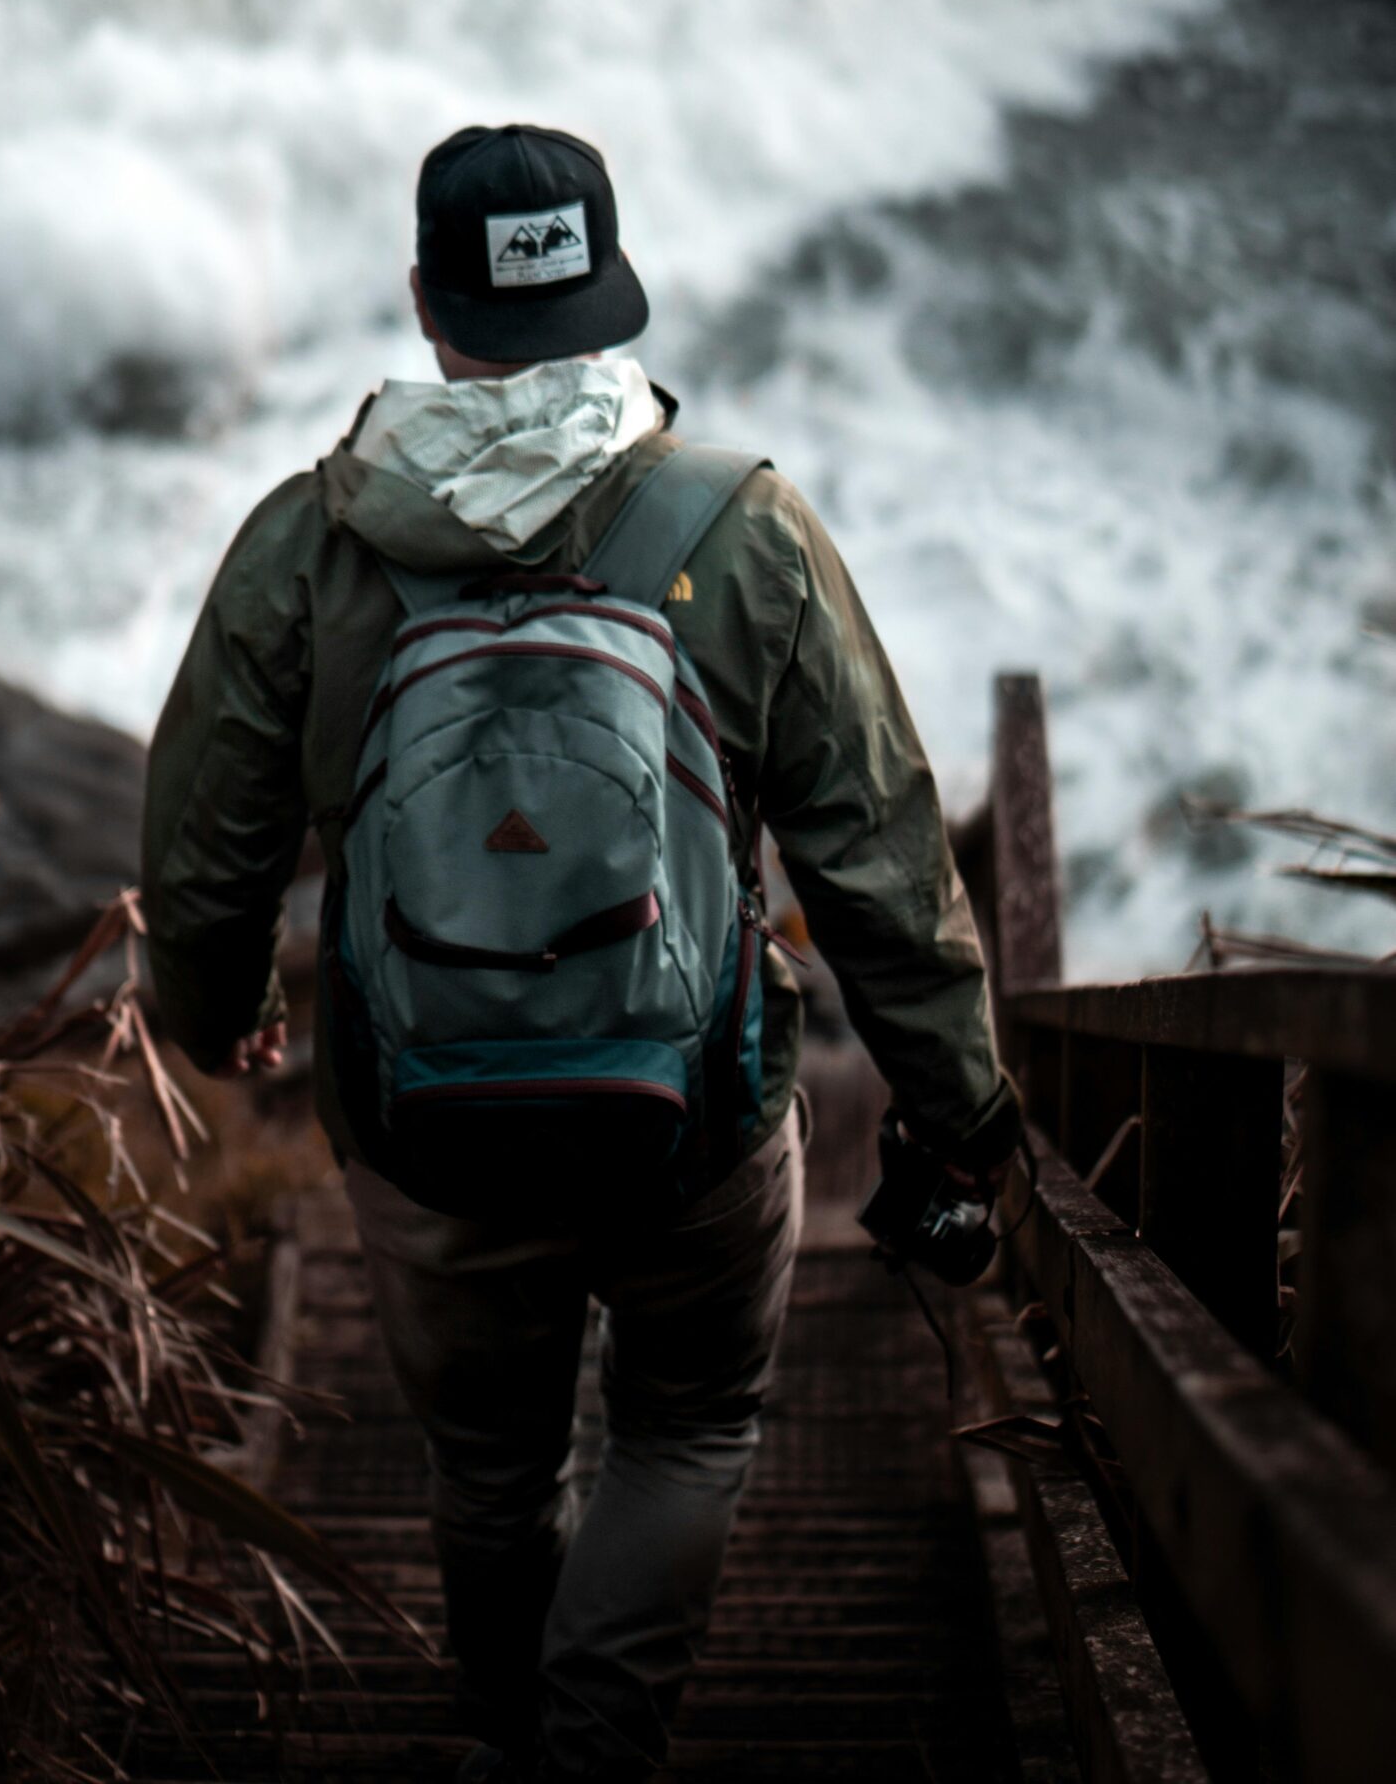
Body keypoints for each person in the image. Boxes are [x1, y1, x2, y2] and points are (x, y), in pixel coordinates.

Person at [142, 122, 1019, 1782]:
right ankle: (594, 1746)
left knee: (488, 1461)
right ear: (607, 290)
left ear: (423, 299)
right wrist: (961, 1106)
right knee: (686, 1425)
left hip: (421, 1124)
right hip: (693, 1110)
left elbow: (202, 848)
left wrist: (219, 1010)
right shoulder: (743, 531)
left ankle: (503, 1728)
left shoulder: (306, 548)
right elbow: (883, 859)